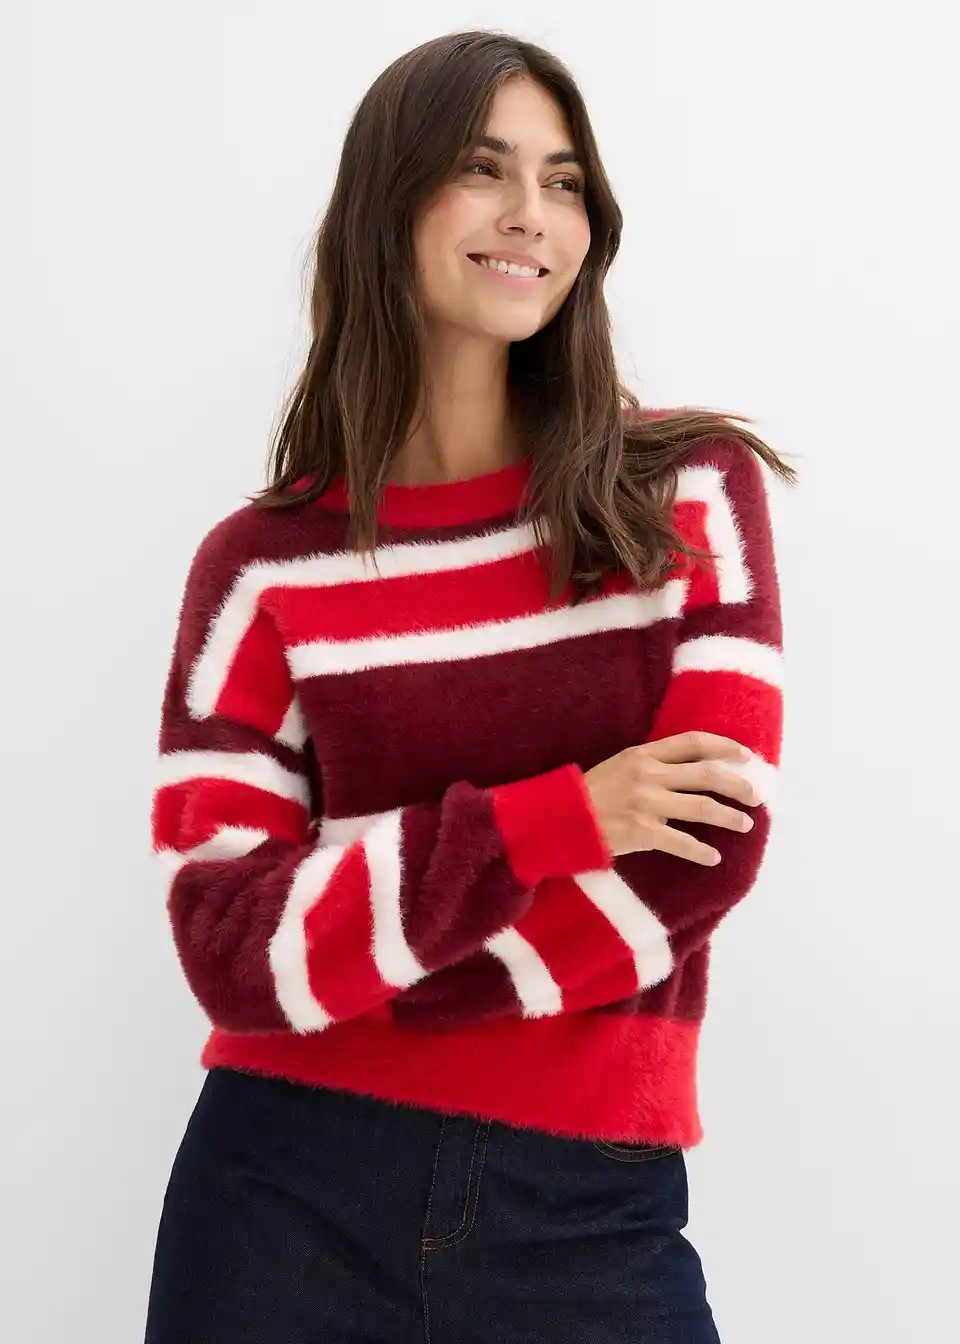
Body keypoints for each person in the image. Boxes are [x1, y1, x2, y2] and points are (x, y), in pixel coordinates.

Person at [144, 28, 795, 1344]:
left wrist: (351, 972)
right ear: (389, 207)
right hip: (279, 1196)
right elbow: (228, 947)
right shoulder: (261, 569)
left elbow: (702, 855)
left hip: (588, 1206)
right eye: (483, 169)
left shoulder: (683, 495)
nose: (529, 214)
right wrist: (556, 820)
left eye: (564, 182)